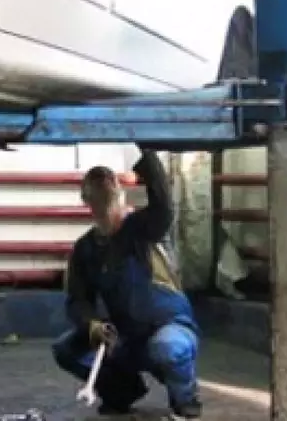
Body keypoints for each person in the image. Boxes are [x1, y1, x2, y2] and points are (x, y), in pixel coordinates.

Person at [51, 150, 202, 419]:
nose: (101, 184)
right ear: (85, 199)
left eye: (107, 179)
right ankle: (122, 391)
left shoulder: (142, 228)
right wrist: (93, 325)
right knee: (66, 349)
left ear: (119, 191)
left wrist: (147, 151)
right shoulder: (85, 249)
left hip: (167, 326)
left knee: (168, 348)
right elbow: (77, 300)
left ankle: (185, 399)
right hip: (125, 336)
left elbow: (163, 205)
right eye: (94, 183)